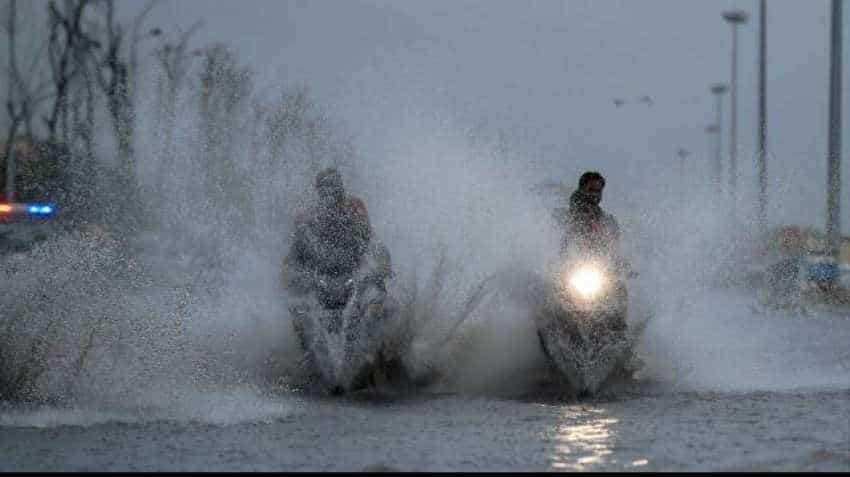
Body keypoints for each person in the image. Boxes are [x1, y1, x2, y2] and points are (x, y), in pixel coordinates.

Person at [284, 167, 391, 297]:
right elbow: (296, 248)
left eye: (333, 187)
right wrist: (293, 274)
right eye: (325, 188)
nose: (330, 192)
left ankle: (379, 301)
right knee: (297, 290)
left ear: (340, 188)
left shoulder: (353, 206)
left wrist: (383, 264)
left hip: (354, 264)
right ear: (319, 191)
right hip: (321, 268)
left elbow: (369, 236)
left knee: (375, 291)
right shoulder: (309, 216)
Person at [561, 171, 621, 259]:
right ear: (582, 189)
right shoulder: (571, 213)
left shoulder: (605, 218)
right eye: (591, 190)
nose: (594, 194)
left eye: (598, 191)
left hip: (598, 262)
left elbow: (612, 246)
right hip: (573, 259)